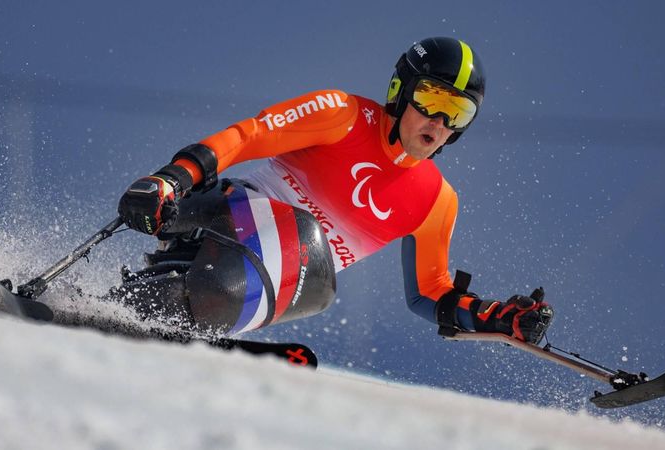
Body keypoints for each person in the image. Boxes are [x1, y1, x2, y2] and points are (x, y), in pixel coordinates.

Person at [116, 37, 554, 343]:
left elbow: (429, 290)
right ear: (401, 91)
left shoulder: (438, 202)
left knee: (318, 278)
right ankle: (151, 303)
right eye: (433, 100)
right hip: (224, 214)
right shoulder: (342, 114)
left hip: (275, 279)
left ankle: (153, 309)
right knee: (308, 245)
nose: (439, 123)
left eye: (458, 113)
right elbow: (249, 137)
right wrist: (172, 178)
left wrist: (493, 317)